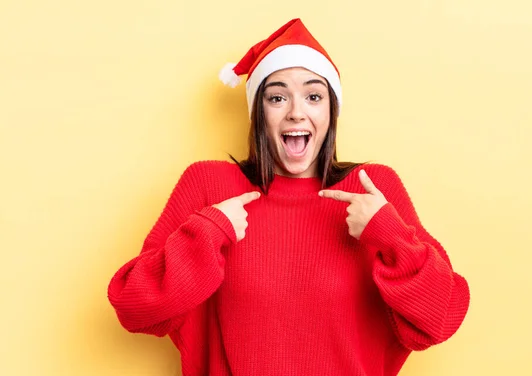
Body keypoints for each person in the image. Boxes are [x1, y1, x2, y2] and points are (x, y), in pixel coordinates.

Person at [107, 18, 470, 376]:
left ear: (331, 111)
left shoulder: (371, 188)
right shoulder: (209, 184)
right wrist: (208, 231)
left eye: (313, 96)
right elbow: (135, 308)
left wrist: (390, 237)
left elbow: (440, 319)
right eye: (277, 97)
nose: (297, 112)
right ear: (258, 113)